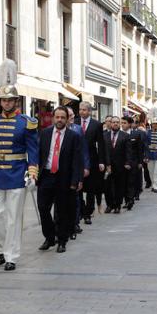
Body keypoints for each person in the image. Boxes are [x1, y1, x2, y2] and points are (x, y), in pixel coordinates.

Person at [0, 59, 39, 271]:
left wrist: (32, 173)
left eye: (9, 100)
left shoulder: (26, 122)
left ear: (16, 101)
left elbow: (33, 150)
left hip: (16, 173)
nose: (6, 103)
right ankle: (5, 246)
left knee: (13, 218)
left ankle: (11, 255)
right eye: (3, 100)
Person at [37, 106, 83, 253]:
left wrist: (76, 181)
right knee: (43, 208)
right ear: (53, 118)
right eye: (57, 117)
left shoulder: (73, 136)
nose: (60, 120)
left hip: (64, 178)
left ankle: (62, 240)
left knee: (62, 211)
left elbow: (77, 160)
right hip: (46, 176)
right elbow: (38, 155)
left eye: (63, 117)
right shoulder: (44, 134)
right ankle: (50, 237)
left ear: (67, 119)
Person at [76, 102, 106, 225]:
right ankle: (80, 211)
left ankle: (88, 213)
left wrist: (101, 161)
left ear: (89, 111)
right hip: (77, 159)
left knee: (90, 189)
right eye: (80, 109)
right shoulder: (75, 122)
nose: (81, 112)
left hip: (92, 160)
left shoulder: (97, 125)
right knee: (77, 188)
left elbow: (101, 144)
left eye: (84, 110)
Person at [67, 107, 90, 239]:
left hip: (76, 169)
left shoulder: (77, 129)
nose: (70, 117)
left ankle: (75, 223)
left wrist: (86, 167)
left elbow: (83, 150)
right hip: (61, 170)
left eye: (71, 115)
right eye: (68, 115)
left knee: (76, 198)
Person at [103, 116, 131, 213]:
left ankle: (118, 205)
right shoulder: (104, 135)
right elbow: (103, 151)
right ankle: (109, 205)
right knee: (107, 186)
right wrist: (106, 164)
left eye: (117, 122)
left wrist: (127, 162)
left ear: (119, 124)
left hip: (120, 165)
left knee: (119, 186)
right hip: (108, 166)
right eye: (113, 122)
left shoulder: (125, 136)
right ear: (110, 124)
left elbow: (128, 151)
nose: (115, 124)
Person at [121, 116, 143, 209]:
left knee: (131, 181)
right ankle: (126, 200)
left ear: (130, 124)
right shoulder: (120, 134)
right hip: (122, 162)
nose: (122, 125)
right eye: (121, 123)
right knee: (124, 182)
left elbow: (140, 149)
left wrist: (140, 162)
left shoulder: (136, 134)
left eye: (124, 123)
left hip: (134, 162)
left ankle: (130, 200)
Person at [145, 121, 157, 193]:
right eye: (153, 124)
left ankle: (156, 186)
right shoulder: (147, 133)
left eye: (156, 124)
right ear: (151, 125)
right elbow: (145, 144)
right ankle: (153, 184)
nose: (155, 125)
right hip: (149, 154)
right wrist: (145, 155)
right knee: (151, 171)